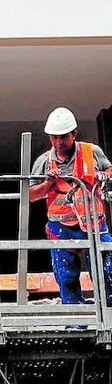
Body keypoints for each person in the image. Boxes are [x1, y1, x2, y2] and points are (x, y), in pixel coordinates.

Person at [28, 107, 112, 307]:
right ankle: (75, 318)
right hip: (62, 229)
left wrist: (104, 175)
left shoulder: (92, 152)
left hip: (94, 225)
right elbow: (31, 196)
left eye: (63, 137)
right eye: (54, 138)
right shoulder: (44, 161)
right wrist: (48, 182)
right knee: (66, 276)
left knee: (108, 271)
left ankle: (110, 313)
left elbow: (109, 169)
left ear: (74, 133)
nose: (58, 143)